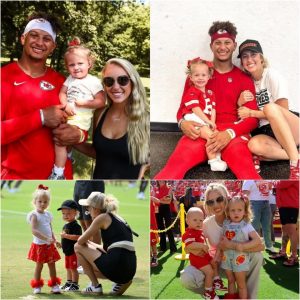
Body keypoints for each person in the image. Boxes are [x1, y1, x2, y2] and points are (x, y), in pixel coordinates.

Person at [155, 21, 261, 180]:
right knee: (172, 170)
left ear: (234, 45)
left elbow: (253, 119)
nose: (222, 47)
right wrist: (183, 123)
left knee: (248, 173)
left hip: (231, 135)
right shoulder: (198, 74)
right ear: (211, 45)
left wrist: (229, 133)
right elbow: (182, 110)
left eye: (227, 42)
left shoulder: (244, 78)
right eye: (218, 43)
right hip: (201, 131)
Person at [1, 11, 84, 179]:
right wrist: (40, 117)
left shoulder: (64, 82)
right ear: (23, 39)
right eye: (34, 35)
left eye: (46, 39)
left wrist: (79, 134)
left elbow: (82, 121)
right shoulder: (3, 78)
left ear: (53, 47)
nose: (39, 42)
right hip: (16, 179)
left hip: (59, 177)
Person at [180, 182, 264, 299]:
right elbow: (189, 245)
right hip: (216, 266)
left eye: (219, 199)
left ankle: (249, 297)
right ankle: (211, 294)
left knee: (257, 256)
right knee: (186, 277)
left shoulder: (239, 218)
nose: (215, 205)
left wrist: (232, 245)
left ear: (226, 198)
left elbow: (261, 246)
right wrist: (189, 248)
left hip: (239, 262)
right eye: (210, 201)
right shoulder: (205, 224)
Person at [74, 58, 149, 179]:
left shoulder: (146, 118)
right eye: (109, 81)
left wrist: (142, 171)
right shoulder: (100, 113)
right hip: (99, 187)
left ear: (133, 82)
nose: (115, 86)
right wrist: (72, 141)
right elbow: (100, 153)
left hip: (130, 191)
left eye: (123, 80)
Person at [237, 39, 300, 179]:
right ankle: (296, 155)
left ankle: (295, 163)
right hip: (267, 132)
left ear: (261, 57)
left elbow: (282, 109)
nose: (249, 59)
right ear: (242, 62)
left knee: (270, 108)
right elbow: (242, 115)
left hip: (290, 127)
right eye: (245, 56)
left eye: (253, 54)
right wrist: (240, 103)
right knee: (253, 146)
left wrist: (252, 113)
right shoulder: (246, 82)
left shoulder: (272, 75)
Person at [49, 37, 105, 179]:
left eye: (80, 63)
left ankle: (58, 172)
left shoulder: (93, 81)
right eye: (71, 65)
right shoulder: (70, 79)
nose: (76, 67)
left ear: (89, 64)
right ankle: (67, 156)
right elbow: (62, 92)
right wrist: (65, 104)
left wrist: (84, 103)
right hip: (67, 115)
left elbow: (101, 101)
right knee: (54, 133)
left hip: (79, 123)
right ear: (67, 67)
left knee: (60, 141)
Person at [74, 192, 137, 295]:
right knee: (87, 258)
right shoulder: (117, 217)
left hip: (116, 264)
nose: (88, 211)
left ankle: (95, 286)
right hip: (129, 270)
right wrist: (90, 243)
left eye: (88, 208)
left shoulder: (101, 217)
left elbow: (80, 242)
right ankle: (120, 282)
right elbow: (106, 248)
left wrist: (84, 261)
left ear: (95, 208)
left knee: (77, 247)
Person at [182, 58, 227, 171]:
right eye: (196, 75)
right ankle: (213, 162)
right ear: (191, 77)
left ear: (208, 76)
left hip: (206, 120)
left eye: (203, 75)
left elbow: (213, 109)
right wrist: (207, 122)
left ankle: (217, 157)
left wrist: (212, 122)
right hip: (194, 118)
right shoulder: (192, 91)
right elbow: (195, 109)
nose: (200, 78)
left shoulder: (210, 93)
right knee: (211, 136)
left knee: (216, 134)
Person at [220, 196, 261, 299]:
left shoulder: (246, 225)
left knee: (241, 284)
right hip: (226, 258)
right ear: (228, 212)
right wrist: (217, 255)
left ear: (245, 212)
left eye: (239, 210)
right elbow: (221, 242)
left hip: (240, 259)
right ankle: (231, 297)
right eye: (232, 210)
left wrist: (242, 246)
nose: (236, 213)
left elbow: (257, 240)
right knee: (230, 280)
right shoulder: (226, 224)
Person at [26, 184, 61, 294]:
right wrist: (46, 238)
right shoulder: (34, 215)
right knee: (39, 266)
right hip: (39, 245)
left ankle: (54, 285)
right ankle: (37, 286)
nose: (42, 204)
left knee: (52, 265)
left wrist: (55, 240)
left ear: (48, 203)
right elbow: (34, 230)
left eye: (45, 202)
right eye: (40, 201)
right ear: (34, 201)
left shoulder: (48, 215)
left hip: (49, 245)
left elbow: (50, 229)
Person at [182, 207, 221, 299]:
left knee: (214, 263)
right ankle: (208, 291)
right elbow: (189, 245)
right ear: (187, 221)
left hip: (205, 257)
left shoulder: (199, 232)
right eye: (195, 220)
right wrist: (202, 246)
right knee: (209, 272)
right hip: (198, 259)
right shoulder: (189, 233)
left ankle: (216, 281)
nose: (198, 222)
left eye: (200, 220)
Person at [242, 180, 276, 253]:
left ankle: (269, 245)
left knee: (267, 226)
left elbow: (269, 189)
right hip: (254, 203)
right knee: (255, 226)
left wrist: (270, 186)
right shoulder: (248, 178)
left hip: (266, 203)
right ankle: (254, 245)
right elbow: (244, 193)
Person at [270, 180, 299, 266]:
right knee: (285, 229)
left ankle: (294, 257)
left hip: (291, 205)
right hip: (284, 205)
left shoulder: (293, 173)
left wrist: (273, 182)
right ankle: (283, 252)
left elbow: (281, 184)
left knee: (291, 231)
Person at [57, 200, 82, 291]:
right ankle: (69, 283)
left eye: (68, 213)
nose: (65, 215)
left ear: (76, 212)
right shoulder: (66, 225)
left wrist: (66, 236)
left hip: (73, 252)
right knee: (68, 267)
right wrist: (61, 244)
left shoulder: (76, 226)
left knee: (73, 268)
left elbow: (78, 237)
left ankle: (75, 285)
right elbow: (65, 239)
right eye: (63, 213)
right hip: (67, 252)